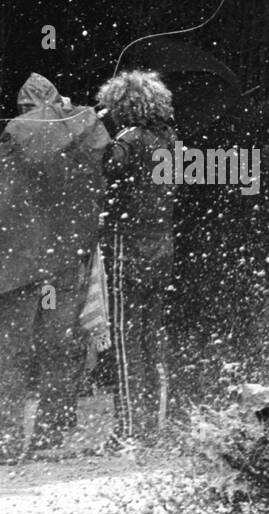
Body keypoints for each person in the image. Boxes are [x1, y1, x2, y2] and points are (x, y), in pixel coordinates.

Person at [0, 75, 109, 460]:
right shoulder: (81, 129)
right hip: (61, 263)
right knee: (58, 348)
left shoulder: (13, 134)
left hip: (16, 267)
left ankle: (7, 441)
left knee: (10, 353)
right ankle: (50, 436)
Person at [94, 70, 180, 446]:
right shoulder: (171, 140)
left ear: (123, 105)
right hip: (162, 246)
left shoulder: (128, 139)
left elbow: (103, 169)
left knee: (126, 340)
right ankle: (151, 425)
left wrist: (93, 128)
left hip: (128, 247)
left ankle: (129, 429)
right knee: (150, 336)